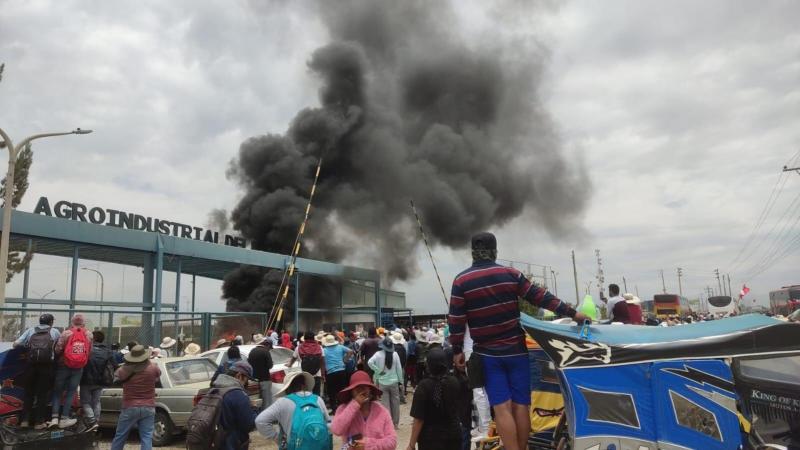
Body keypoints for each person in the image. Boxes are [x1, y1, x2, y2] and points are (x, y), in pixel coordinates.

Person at [448, 232, 589, 450]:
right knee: (522, 405)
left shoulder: (461, 281)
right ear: (495, 251)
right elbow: (540, 296)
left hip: (487, 355)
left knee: (502, 408)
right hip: (517, 352)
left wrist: (457, 349)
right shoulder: (511, 274)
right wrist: (572, 313)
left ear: (473, 253)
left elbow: (456, 319)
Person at [405, 348, 463, 450]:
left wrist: (411, 444)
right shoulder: (454, 382)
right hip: (453, 436)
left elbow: (418, 419)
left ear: (429, 365)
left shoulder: (423, 386)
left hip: (430, 439)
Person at [255, 371, 331, 448]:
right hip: (320, 445)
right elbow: (328, 423)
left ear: (287, 387)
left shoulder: (283, 402)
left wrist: (278, 439)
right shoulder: (318, 399)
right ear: (304, 384)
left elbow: (260, 421)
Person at [14, 313, 61, 429]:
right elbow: (60, 348)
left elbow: (16, 344)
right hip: (46, 367)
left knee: (28, 394)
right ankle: (39, 422)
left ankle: (24, 421)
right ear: (51, 322)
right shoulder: (55, 332)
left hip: (31, 366)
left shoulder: (30, 331)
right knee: (42, 395)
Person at [111, 345, 161, 450]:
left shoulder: (123, 370)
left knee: (120, 435)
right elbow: (157, 376)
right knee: (147, 436)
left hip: (129, 406)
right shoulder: (153, 367)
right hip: (148, 406)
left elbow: (115, 378)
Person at [331, 371, 396, 450]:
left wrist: (368, 444)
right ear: (351, 391)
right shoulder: (343, 409)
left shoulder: (382, 411)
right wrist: (355, 404)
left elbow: (392, 442)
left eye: (364, 387)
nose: (361, 390)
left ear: (370, 390)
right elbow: (336, 430)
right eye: (357, 388)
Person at [50, 313, 94, 428]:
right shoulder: (88, 334)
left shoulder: (66, 333)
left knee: (57, 391)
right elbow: (89, 351)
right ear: (84, 323)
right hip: (78, 367)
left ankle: (54, 418)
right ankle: (64, 418)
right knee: (71, 392)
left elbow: (58, 349)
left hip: (63, 365)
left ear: (72, 322)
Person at [211, 360, 258, 450]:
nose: (246, 384)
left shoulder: (214, 389)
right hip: (231, 444)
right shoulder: (238, 394)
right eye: (246, 380)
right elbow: (249, 424)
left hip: (214, 442)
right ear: (239, 375)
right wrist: (254, 408)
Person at [80, 330, 115, 429]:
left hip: (85, 379)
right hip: (100, 380)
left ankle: (92, 421)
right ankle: (96, 421)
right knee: (96, 401)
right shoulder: (108, 351)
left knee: (85, 401)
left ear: (93, 338)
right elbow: (115, 365)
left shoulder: (87, 349)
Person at [367, 337, 403, 428]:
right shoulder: (395, 354)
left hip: (383, 383)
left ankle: (389, 423)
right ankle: (395, 424)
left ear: (382, 346)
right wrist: (401, 382)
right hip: (394, 382)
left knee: (385, 404)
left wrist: (378, 371)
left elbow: (369, 362)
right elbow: (399, 369)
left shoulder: (378, 354)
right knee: (395, 403)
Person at [321, 334, 354, 412]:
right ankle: (342, 406)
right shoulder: (340, 347)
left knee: (331, 391)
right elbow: (350, 351)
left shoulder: (324, 350)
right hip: (341, 370)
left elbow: (322, 362)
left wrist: (323, 374)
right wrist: (345, 360)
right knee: (341, 389)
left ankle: (334, 409)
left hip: (330, 372)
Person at [247, 337, 274, 411]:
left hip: (254, 381)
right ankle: (266, 418)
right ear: (267, 345)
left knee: (256, 402)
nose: (269, 349)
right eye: (270, 348)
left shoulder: (252, 351)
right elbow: (270, 365)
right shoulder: (266, 352)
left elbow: (249, 364)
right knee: (267, 402)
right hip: (265, 380)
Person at [390, 332, 408, 404]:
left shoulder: (392, 348)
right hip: (401, 367)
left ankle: (395, 398)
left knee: (394, 383)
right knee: (401, 382)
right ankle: (402, 398)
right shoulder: (403, 348)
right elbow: (404, 359)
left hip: (393, 367)